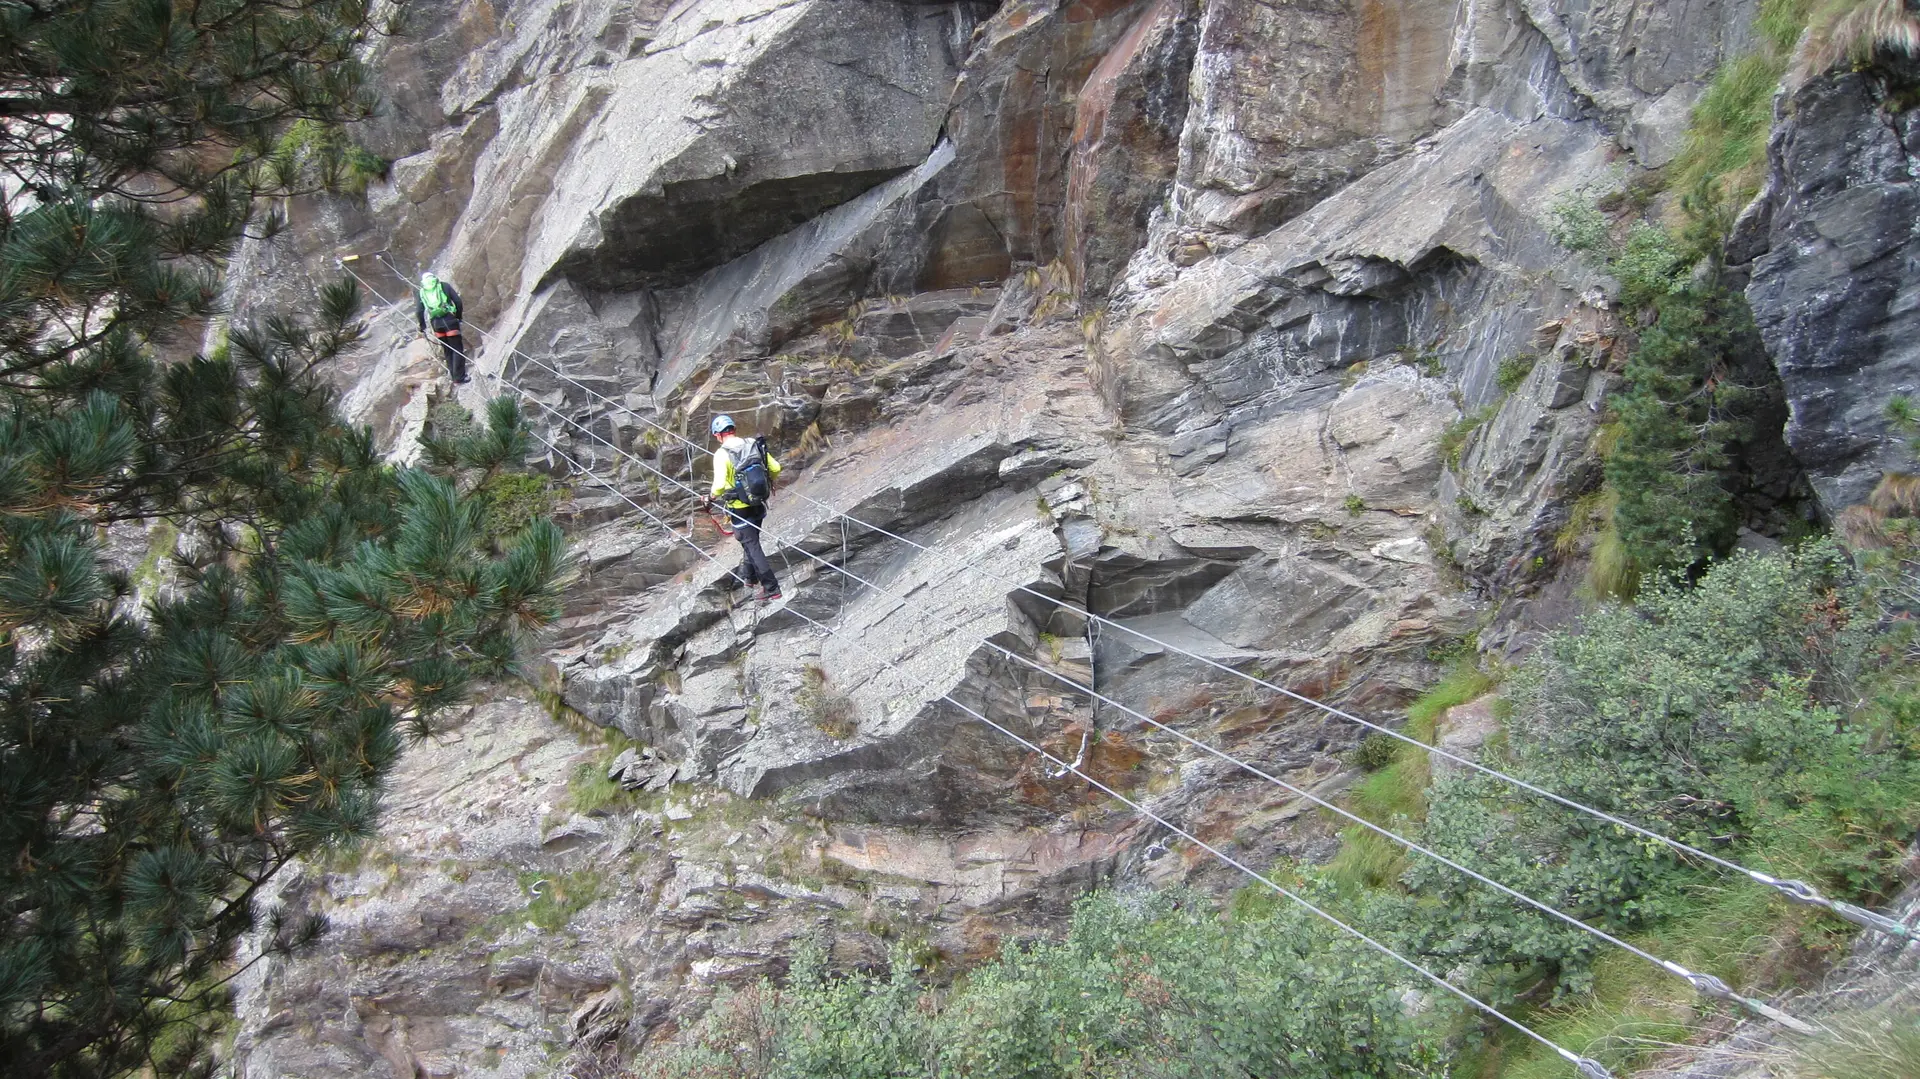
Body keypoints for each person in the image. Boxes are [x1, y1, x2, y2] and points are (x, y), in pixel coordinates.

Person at [707, 414, 783, 602]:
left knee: (751, 544)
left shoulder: (722, 454)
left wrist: (709, 498)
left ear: (718, 435)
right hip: (758, 502)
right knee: (750, 539)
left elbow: (718, 486)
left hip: (739, 507)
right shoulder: (752, 444)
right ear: (733, 430)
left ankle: (771, 588)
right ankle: (749, 577)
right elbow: (776, 467)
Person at [414, 272, 469, 384]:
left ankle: (454, 377)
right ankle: (459, 377)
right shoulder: (444, 286)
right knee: (457, 349)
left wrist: (422, 326)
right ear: (434, 278)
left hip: (436, 325)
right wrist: (458, 316)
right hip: (450, 321)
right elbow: (458, 301)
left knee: (447, 350)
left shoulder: (422, 292)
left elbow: (419, 311)